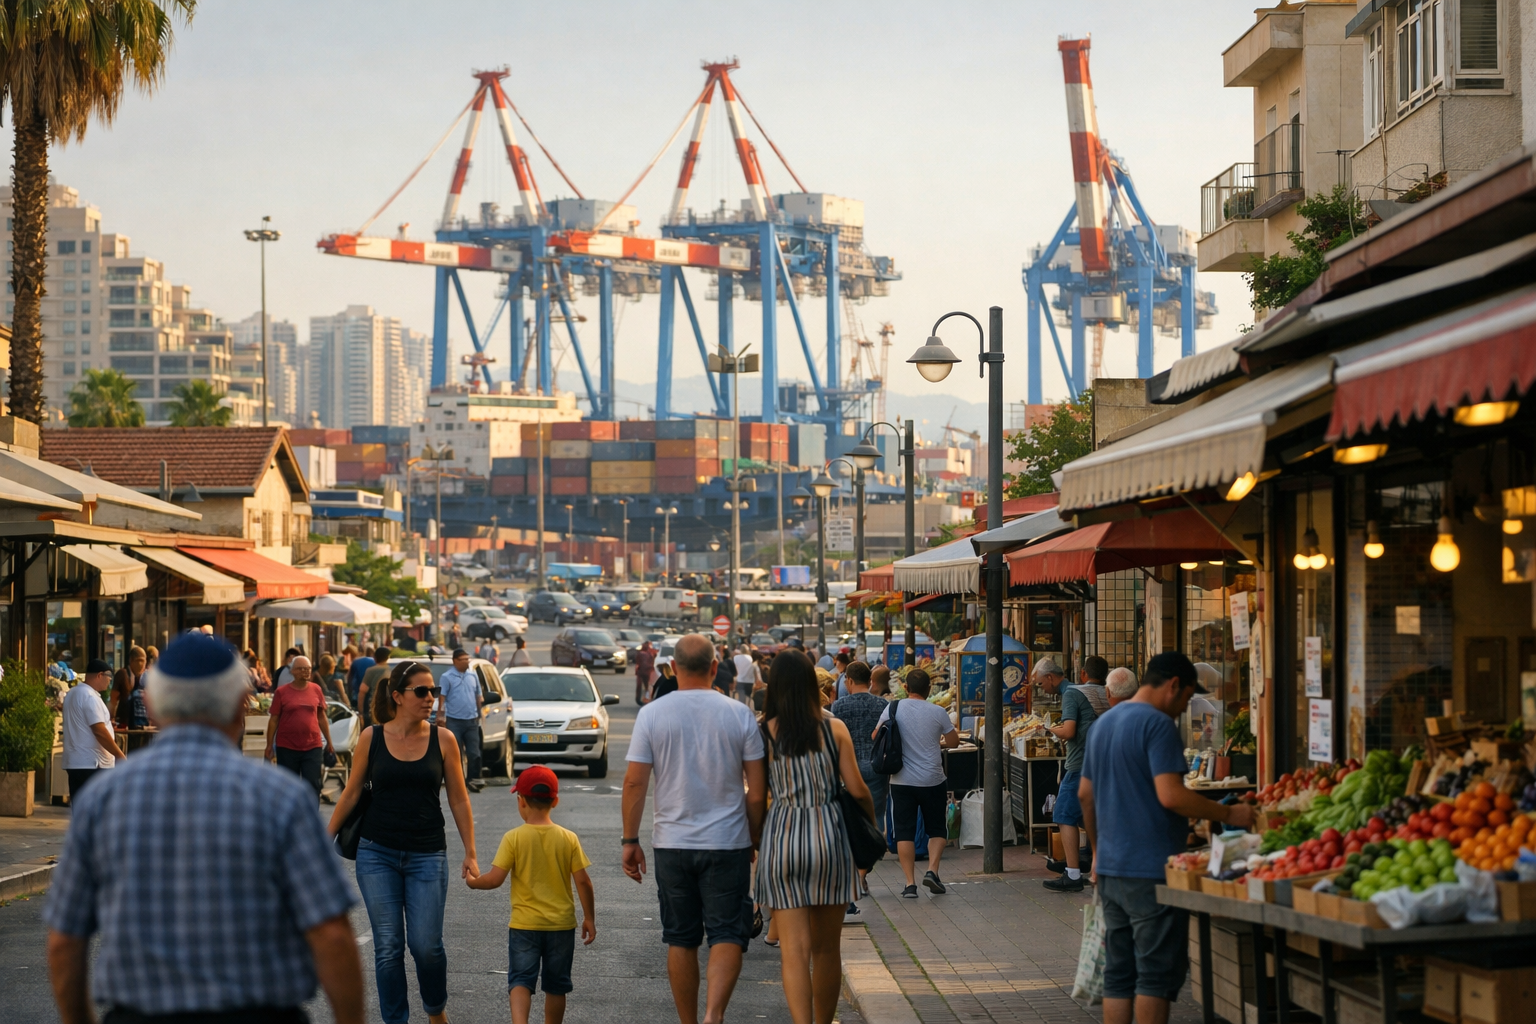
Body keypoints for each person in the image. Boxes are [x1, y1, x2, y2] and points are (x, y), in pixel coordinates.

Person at [45, 632, 364, 1024]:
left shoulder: (101, 800)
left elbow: (65, 940)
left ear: (152, 705)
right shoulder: (283, 798)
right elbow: (331, 933)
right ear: (240, 706)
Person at [1080, 652, 1256, 1024]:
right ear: (1174, 685)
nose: (1183, 707)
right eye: (1187, 698)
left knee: (1118, 974)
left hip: (1111, 869)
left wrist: (1097, 851)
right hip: (1151, 871)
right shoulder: (1158, 726)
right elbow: (1171, 795)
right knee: (1154, 976)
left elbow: (1085, 794)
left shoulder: (1103, 725)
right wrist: (1229, 813)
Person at [621, 633, 767, 1024]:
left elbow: (635, 782)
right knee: (726, 934)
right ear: (715, 668)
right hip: (728, 842)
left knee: (680, 938)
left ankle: (689, 1022)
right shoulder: (738, 714)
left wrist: (630, 840)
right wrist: (754, 836)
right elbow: (757, 791)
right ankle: (713, 1015)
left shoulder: (652, 714)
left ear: (673, 669)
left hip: (671, 843)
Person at [329, 661, 479, 1024]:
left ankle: (434, 1009)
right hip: (376, 852)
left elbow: (458, 798)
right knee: (388, 947)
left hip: (428, 853)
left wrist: (471, 852)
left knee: (426, 947)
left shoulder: (444, 740)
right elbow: (350, 794)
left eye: (434, 692)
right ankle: (395, 1019)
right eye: (422, 692)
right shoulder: (372, 737)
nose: (431, 698)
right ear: (397, 696)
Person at [758, 650, 871, 1024]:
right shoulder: (833, 727)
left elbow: (755, 795)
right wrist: (869, 830)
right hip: (829, 837)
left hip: (782, 839)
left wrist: (754, 842)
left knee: (793, 950)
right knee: (826, 949)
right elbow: (857, 790)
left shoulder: (762, 731)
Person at [468, 766, 596, 1024]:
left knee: (520, 981)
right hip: (561, 926)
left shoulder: (513, 838)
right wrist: (589, 918)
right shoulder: (568, 838)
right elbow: (583, 882)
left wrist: (473, 881)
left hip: (524, 926)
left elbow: (494, 880)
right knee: (557, 985)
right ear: (555, 801)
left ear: (521, 801)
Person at [875, 667, 959, 898]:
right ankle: (932, 871)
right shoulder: (938, 711)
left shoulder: (893, 708)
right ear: (929, 689)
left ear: (905, 688)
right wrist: (937, 742)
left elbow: (876, 736)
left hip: (901, 780)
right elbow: (954, 742)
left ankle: (910, 884)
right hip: (932, 779)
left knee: (904, 832)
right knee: (936, 829)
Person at [1043, 655, 1110, 892]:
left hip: (1080, 764)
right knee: (1090, 816)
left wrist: (1050, 729)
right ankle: (1096, 864)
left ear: (1083, 674)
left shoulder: (1074, 693)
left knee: (1063, 814)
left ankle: (1072, 874)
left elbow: (1070, 731)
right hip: (1104, 765)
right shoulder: (1109, 693)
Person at [830, 661, 884, 899]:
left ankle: (854, 871)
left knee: (851, 822)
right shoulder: (883, 705)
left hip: (847, 771)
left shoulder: (838, 707)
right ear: (870, 681)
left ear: (849, 681)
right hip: (876, 769)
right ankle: (863, 872)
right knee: (873, 824)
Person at [265, 656, 336, 798]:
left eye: (308, 669)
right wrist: (269, 745)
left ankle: (311, 817)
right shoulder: (281, 692)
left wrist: (329, 741)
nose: (306, 671)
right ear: (293, 671)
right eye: (301, 669)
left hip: (312, 746)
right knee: (287, 786)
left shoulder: (316, 689)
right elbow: (274, 720)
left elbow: (321, 717)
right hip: (287, 747)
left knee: (313, 785)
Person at [61, 659, 125, 801]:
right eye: (109, 678)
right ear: (99, 675)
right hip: (93, 764)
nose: (110, 682)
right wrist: (119, 754)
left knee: (80, 807)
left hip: (76, 763)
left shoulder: (72, 693)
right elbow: (99, 731)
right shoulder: (89, 696)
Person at [439, 648, 487, 792]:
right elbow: (442, 697)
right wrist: (441, 715)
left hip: (471, 720)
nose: (466, 662)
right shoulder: (447, 677)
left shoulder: (472, 675)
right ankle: (458, 782)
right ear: (455, 661)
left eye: (468, 659)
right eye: (463, 659)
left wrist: (480, 713)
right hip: (454, 720)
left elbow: (478, 695)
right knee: (456, 754)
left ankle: (472, 779)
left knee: (474, 753)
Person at [110, 646, 149, 731]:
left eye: (144, 661)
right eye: (139, 660)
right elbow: (113, 700)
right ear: (131, 660)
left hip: (141, 725)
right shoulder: (122, 674)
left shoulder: (144, 677)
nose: (142, 664)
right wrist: (111, 719)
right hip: (124, 725)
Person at [356, 646, 393, 728]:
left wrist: (361, 713)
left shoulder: (371, 670)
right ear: (388, 657)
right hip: (393, 705)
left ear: (375, 658)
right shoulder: (394, 670)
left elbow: (362, 691)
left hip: (376, 705)